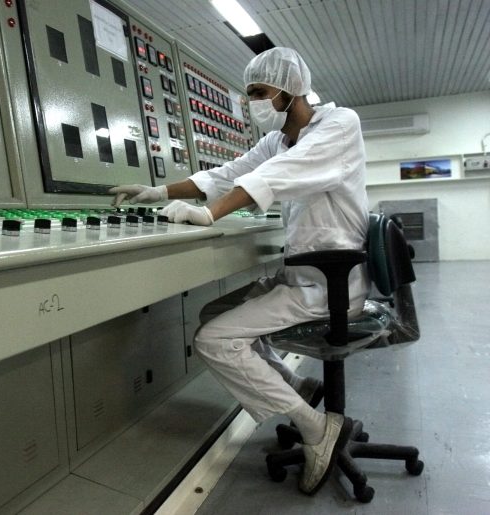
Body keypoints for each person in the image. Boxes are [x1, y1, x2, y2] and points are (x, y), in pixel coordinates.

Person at [110, 47, 369, 495]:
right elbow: (229, 175)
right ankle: (298, 388)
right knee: (213, 315)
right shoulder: (277, 141)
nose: (252, 102)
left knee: (211, 341)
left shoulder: (339, 125)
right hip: (302, 275)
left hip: (331, 283)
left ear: (289, 90)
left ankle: (315, 428)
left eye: (259, 92)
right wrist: (157, 191)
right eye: (248, 93)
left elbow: (275, 177)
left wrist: (210, 216)